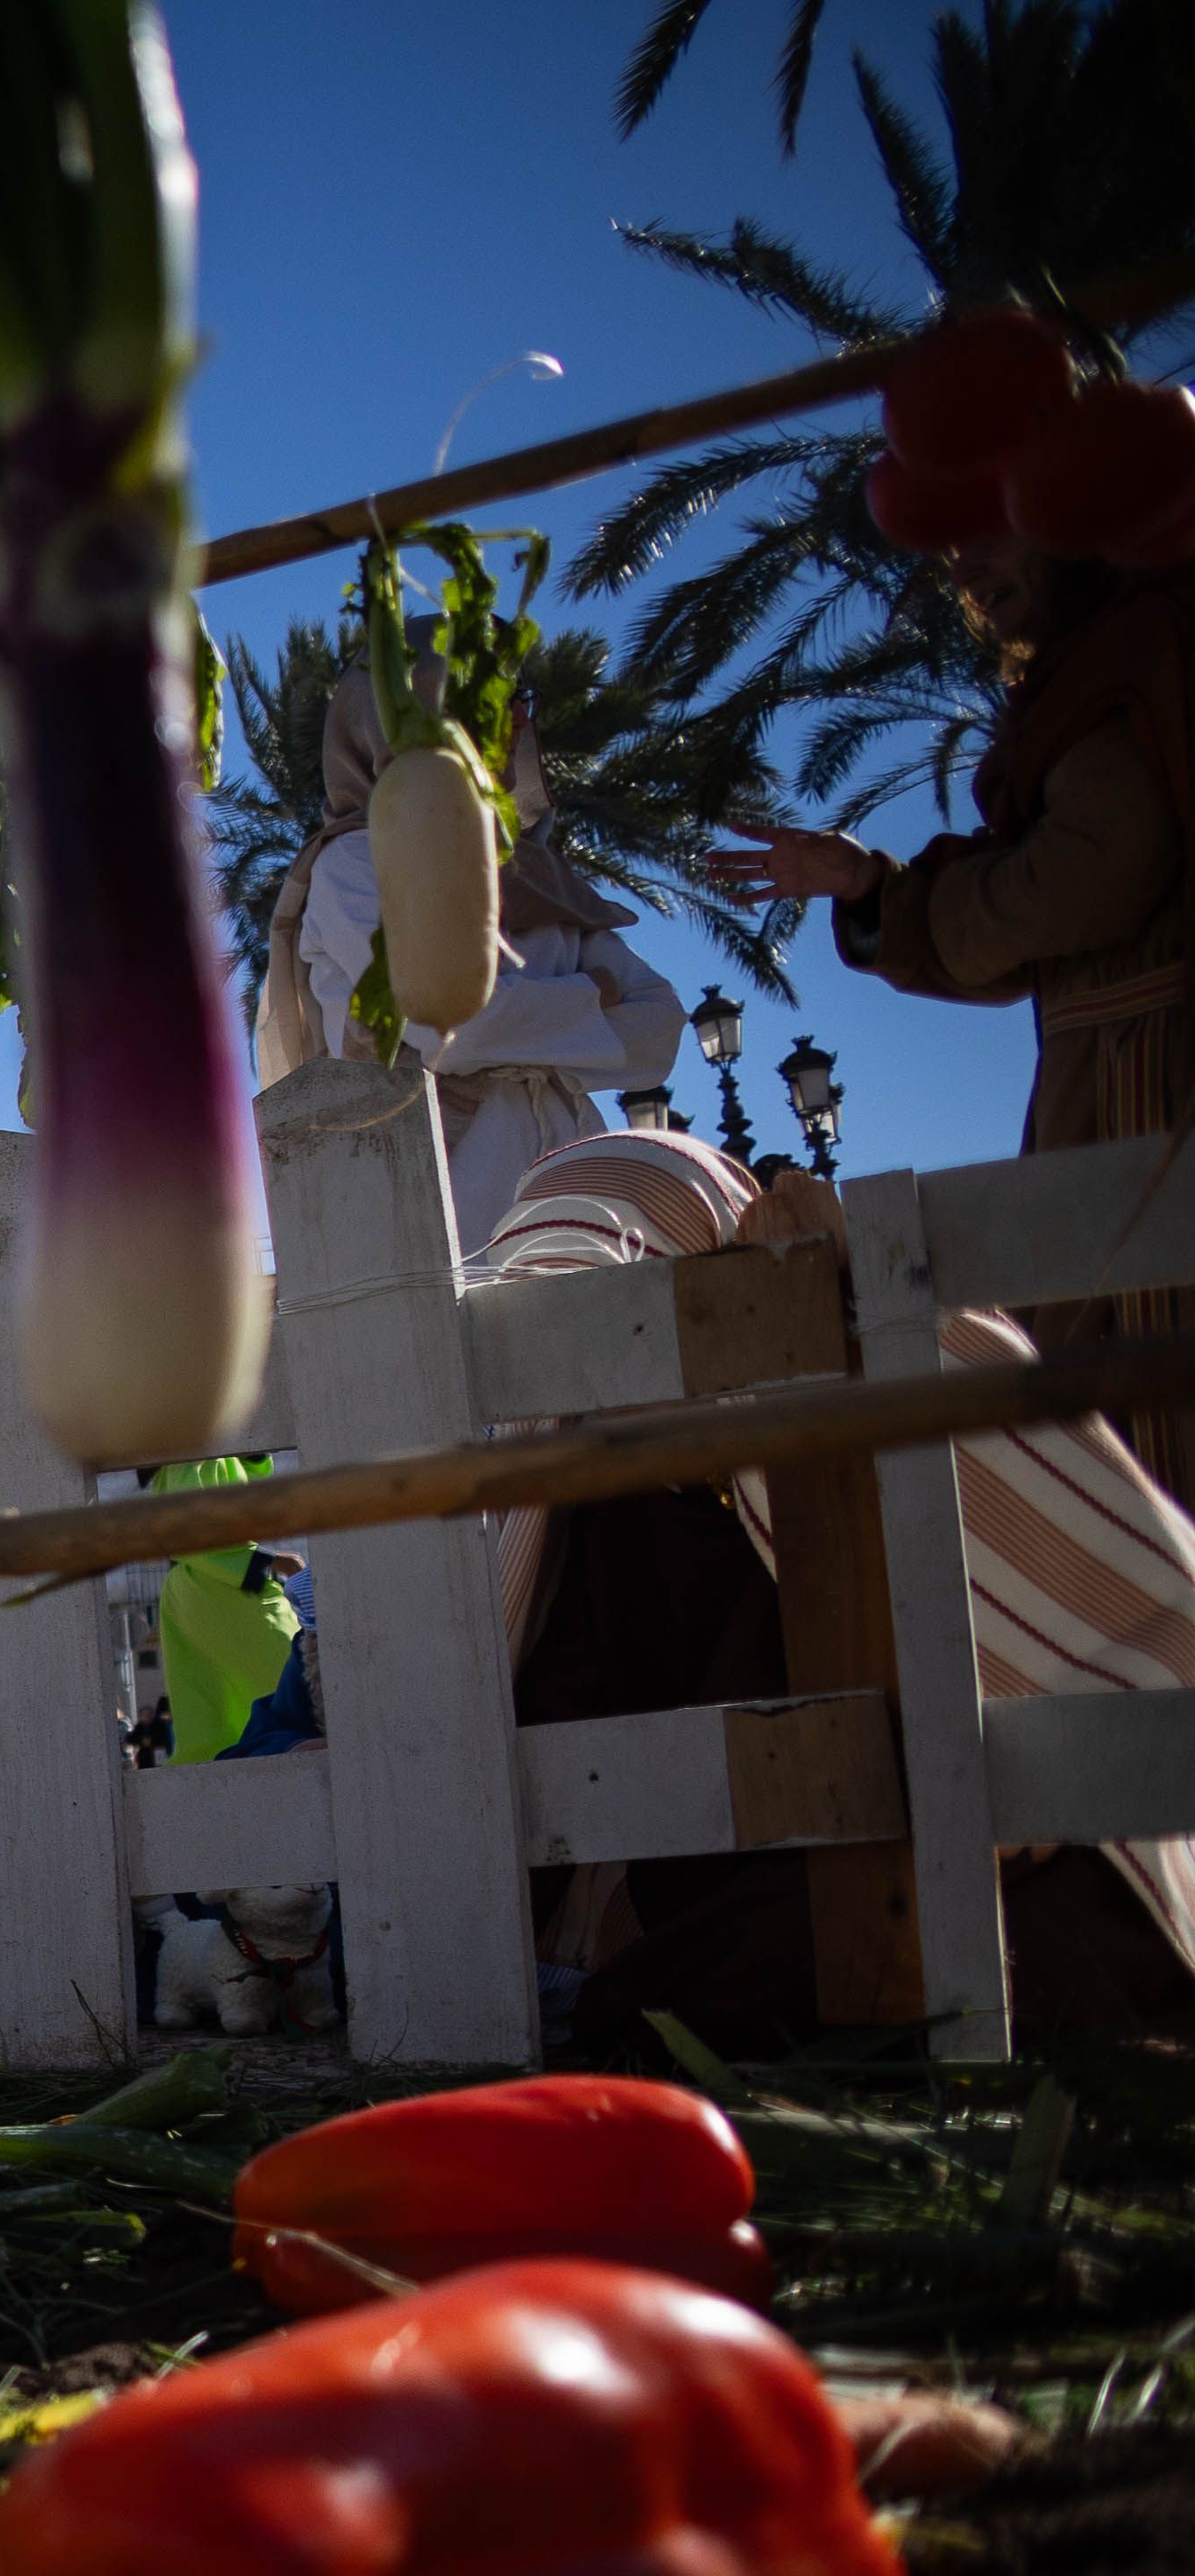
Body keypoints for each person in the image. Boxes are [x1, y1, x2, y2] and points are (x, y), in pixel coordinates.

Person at [472, 1124, 1195, 2048]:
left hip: (1040, 1866)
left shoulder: (871, 1363)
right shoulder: (927, 1349)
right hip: (971, 1872)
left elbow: (538, 1717)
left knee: (646, 2023)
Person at [716, 536, 1195, 1500]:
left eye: (990, 529)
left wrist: (916, 904)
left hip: (1156, 1098)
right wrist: (873, 888)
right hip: (1105, 1099)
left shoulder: (1148, 652)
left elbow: (1082, 884)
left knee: (1149, 1444)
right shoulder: (1093, 673)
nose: (966, 568)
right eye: (949, 546)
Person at [258, 672, 685, 1248]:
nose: (514, 724)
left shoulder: (541, 882)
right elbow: (451, 1021)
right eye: (489, 705)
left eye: (520, 703)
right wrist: (595, 994)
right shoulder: (355, 866)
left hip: (579, 1194)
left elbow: (659, 1030)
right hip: (431, 1204)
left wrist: (510, 1017)